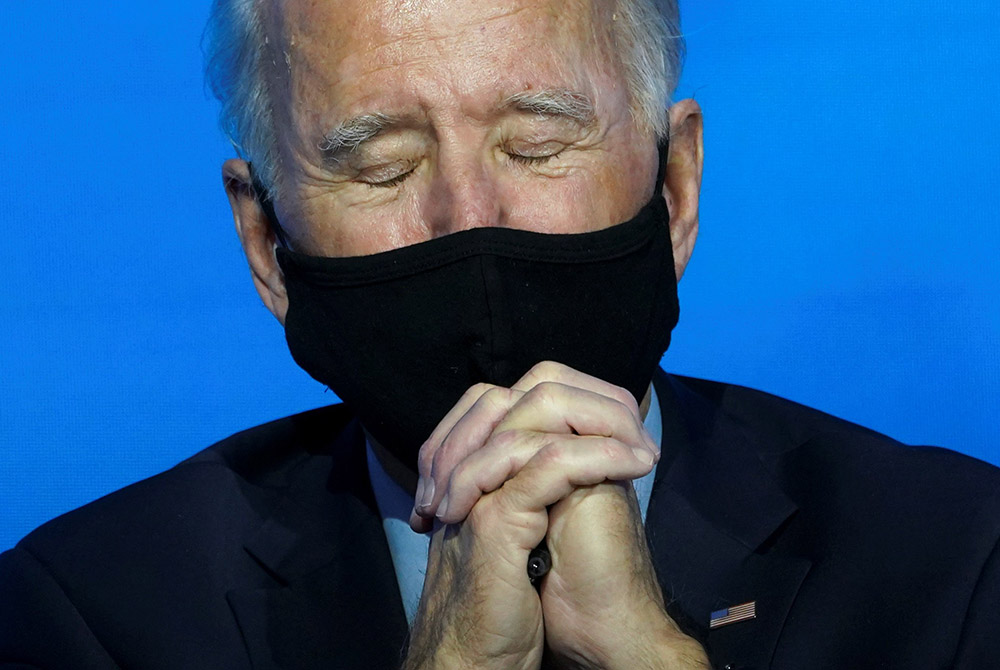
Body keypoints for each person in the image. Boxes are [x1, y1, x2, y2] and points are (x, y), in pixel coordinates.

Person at [1, 0, 998, 668]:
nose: (469, 216)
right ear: (266, 245)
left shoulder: (952, 562)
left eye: (537, 143)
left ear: (675, 186)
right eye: (382, 166)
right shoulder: (91, 616)